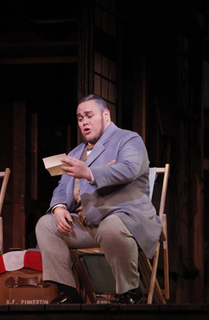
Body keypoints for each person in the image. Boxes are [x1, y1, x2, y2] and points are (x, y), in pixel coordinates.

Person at [36, 94, 162, 304]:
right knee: (46, 225)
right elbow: (62, 186)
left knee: (110, 226)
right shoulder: (76, 152)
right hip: (87, 225)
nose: (84, 122)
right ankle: (68, 292)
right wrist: (58, 207)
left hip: (124, 219)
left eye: (89, 116)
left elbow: (129, 169)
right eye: (79, 118)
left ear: (105, 115)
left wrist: (89, 172)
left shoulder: (128, 139)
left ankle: (130, 291)